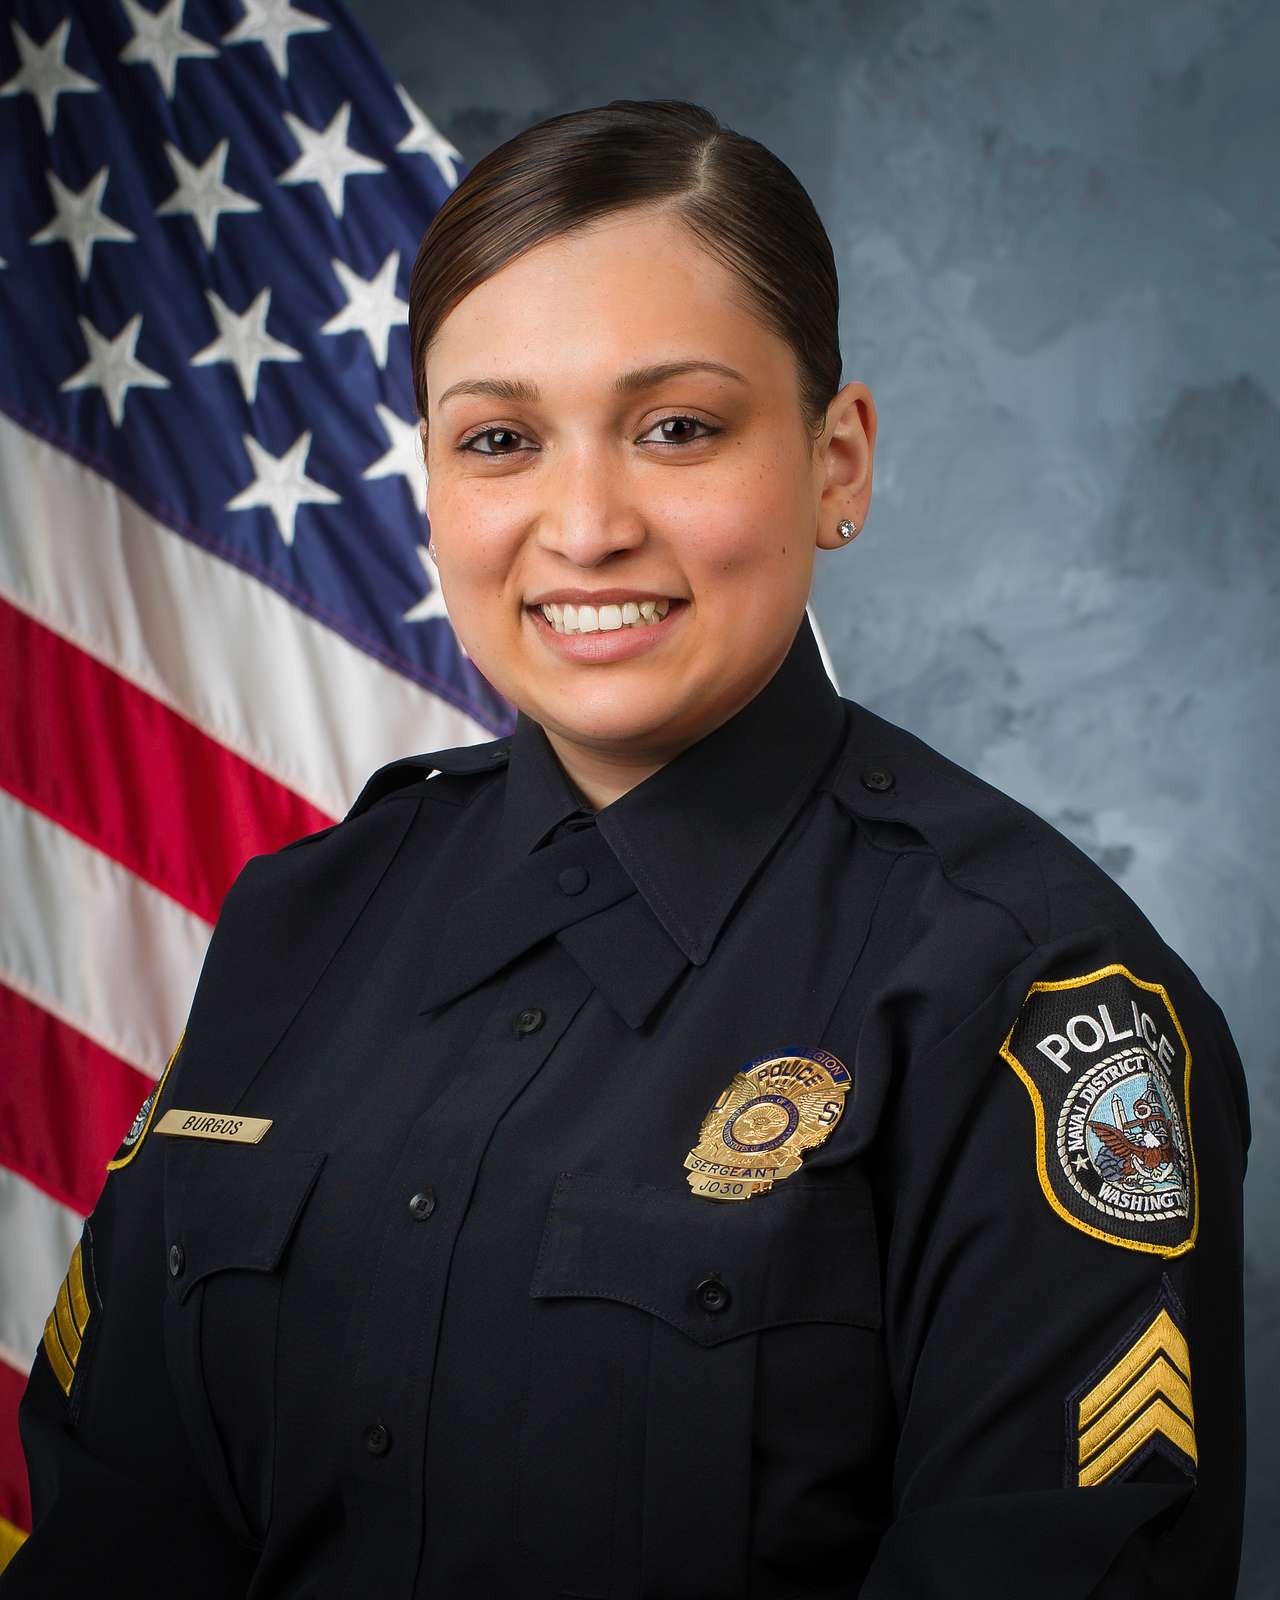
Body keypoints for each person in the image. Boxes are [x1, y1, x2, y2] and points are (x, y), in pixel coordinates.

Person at [3, 99, 1248, 1599]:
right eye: (502, 440)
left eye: (677, 428)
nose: (582, 526)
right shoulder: (302, 918)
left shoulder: (1025, 990)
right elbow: (114, 1532)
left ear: (837, 460)